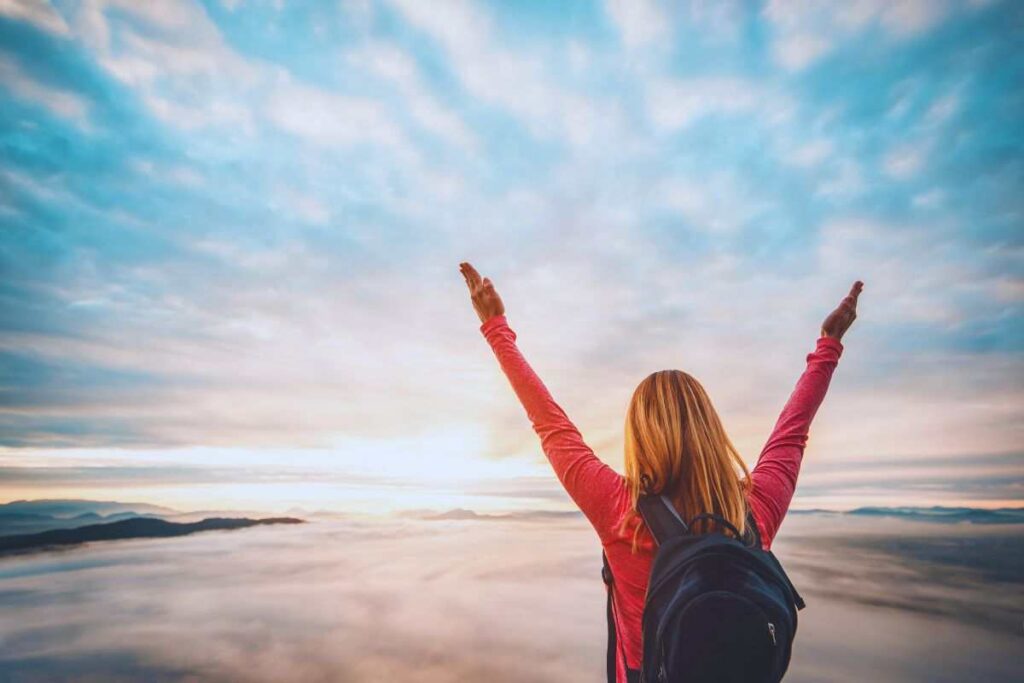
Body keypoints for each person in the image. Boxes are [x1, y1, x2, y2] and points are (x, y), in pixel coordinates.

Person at [459, 261, 863, 683]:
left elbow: (549, 425)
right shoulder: (755, 511)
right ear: (710, 428)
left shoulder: (619, 511)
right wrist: (828, 344)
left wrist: (495, 326)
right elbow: (792, 432)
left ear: (638, 433)